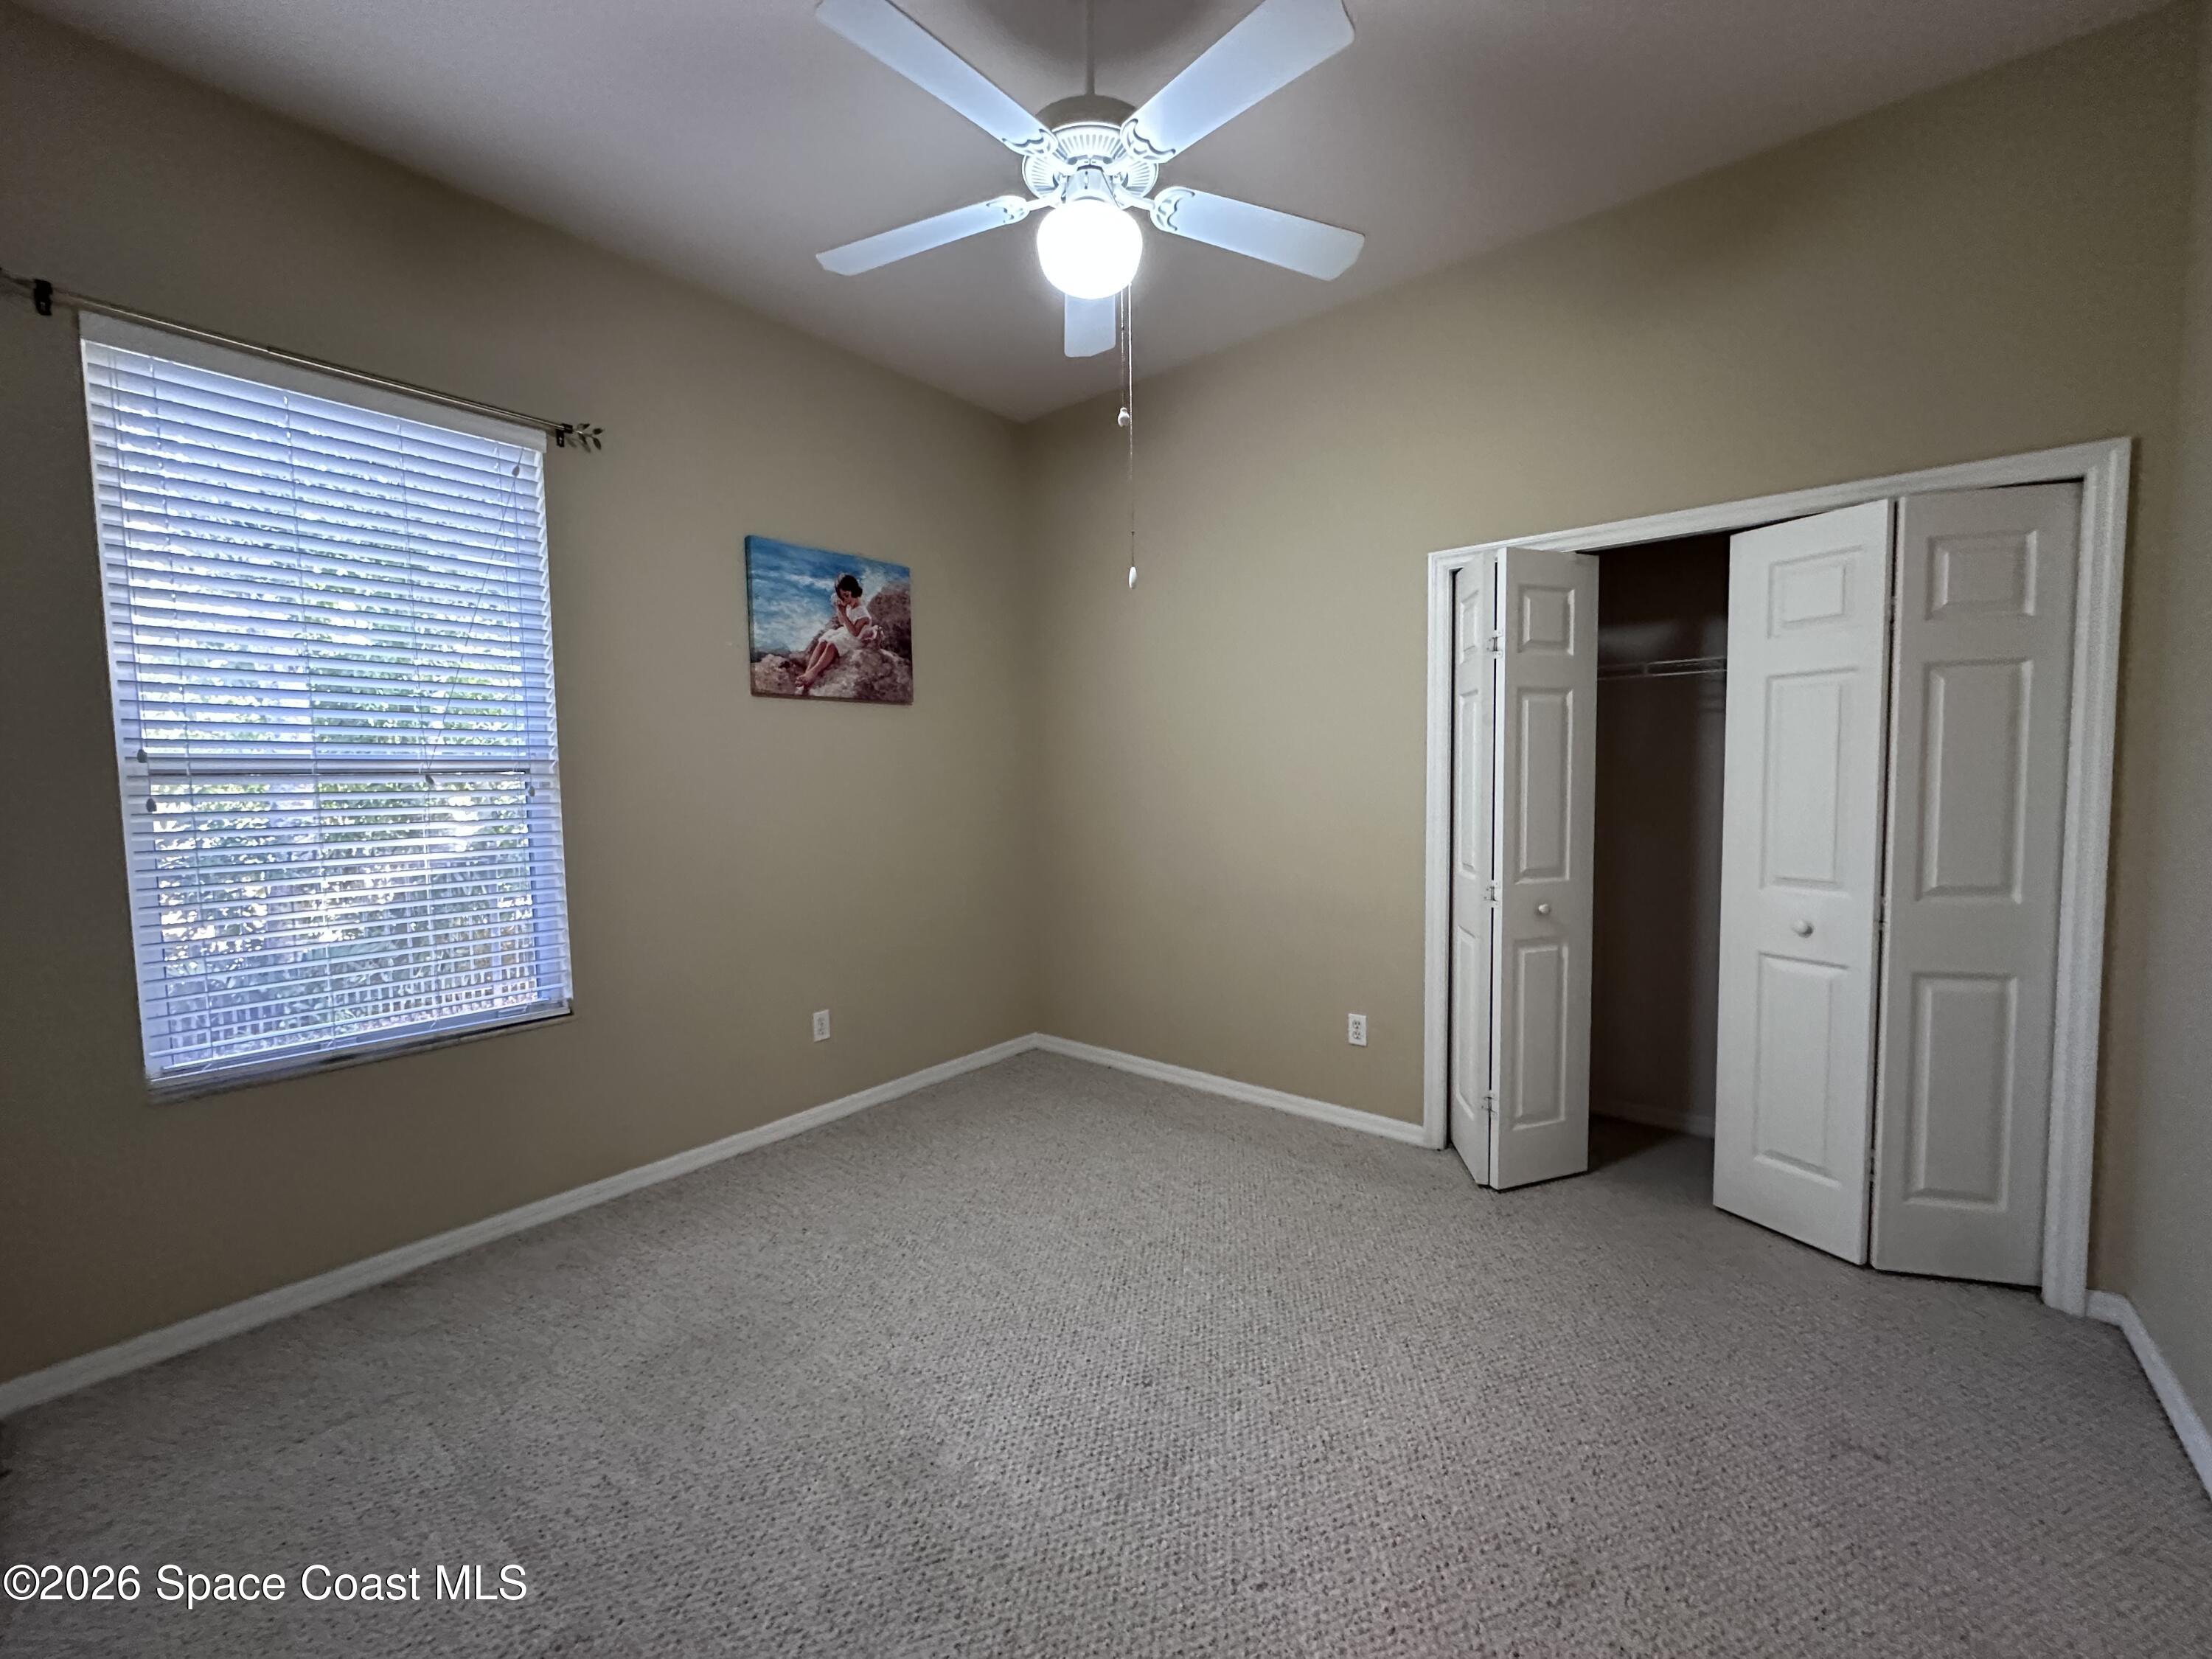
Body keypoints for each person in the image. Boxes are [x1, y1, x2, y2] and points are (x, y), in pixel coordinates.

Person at [793, 572, 880, 695]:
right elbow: (842, 622)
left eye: (846, 595)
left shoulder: (863, 614)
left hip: (855, 639)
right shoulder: (849, 605)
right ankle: (808, 673)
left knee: (831, 645)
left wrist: (844, 613)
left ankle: (814, 672)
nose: (844, 599)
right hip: (846, 632)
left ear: (854, 591)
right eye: (841, 596)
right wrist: (840, 610)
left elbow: (855, 633)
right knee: (823, 642)